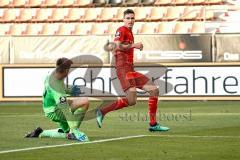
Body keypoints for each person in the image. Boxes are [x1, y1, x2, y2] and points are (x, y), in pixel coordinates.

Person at [97, 9, 170, 132]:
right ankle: (102, 111)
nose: (130, 20)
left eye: (132, 18)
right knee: (131, 101)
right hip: (123, 69)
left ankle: (153, 124)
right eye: (128, 18)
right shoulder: (121, 30)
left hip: (130, 69)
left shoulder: (130, 32)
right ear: (123, 19)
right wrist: (133, 45)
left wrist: (133, 46)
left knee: (154, 90)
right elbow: (116, 45)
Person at [25, 57, 89, 141]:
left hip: (50, 107)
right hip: (54, 111)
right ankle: (73, 132)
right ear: (66, 70)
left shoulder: (52, 74)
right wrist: (74, 130)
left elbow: (58, 88)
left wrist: (70, 90)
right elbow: (65, 110)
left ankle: (40, 133)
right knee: (84, 101)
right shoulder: (57, 89)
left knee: (66, 131)